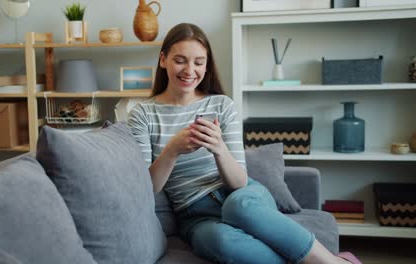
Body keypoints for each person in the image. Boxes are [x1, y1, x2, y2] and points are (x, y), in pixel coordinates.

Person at [128, 23, 361, 264]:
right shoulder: (142, 114)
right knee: (221, 241)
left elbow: (239, 182)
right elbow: (147, 188)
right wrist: (172, 151)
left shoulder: (221, 105)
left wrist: (219, 149)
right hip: (195, 215)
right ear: (163, 59)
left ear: (207, 65)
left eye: (199, 62)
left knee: (238, 207)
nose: (190, 70)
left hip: (243, 196)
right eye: (180, 60)